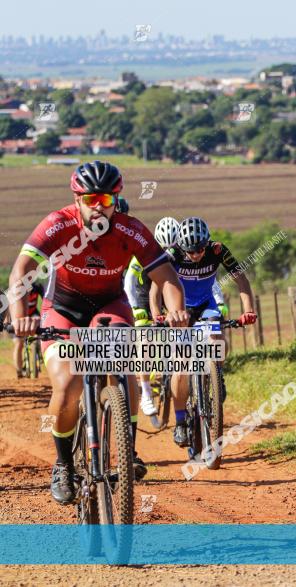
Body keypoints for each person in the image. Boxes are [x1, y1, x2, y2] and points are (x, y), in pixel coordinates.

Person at [7, 160, 189, 505]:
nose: (97, 207)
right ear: (77, 199)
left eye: (105, 199)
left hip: (110, 304)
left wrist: (176, 309)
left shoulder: (130, 228)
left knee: (123, 371)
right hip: (62, 309)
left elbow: (166, 277)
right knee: (70, 382)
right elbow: (23, 269)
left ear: (115, 199)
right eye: (90, 199)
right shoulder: (57, 223)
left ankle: (127, 447)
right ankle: (63, 464)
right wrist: (20, 316)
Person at [150, 217, 256, 449]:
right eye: (191, 251)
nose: (196, 254)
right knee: (181, 366)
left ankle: (216, 374)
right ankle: (180, 423)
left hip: (206, 303)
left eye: (200, 249)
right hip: (180, 309)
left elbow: (242, 280)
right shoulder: (172, 254)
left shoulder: (217, 250)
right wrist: (158, 314)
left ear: (206, 243)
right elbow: (156, 287)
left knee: (218, 340)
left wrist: (248, 310)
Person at [124, 217, 180, 419]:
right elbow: (129, 285)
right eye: (164, 247)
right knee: (145, 339)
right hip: (141, 295)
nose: (168, 251)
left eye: (172, 247)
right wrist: (135, 309)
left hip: (164, 291)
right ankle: (146, 393)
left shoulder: (180, 254)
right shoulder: (142, 256)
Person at [12, 281, 44, 378]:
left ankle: (38, 349)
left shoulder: (37, 286)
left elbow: (46, 301)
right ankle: (19, 371)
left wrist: (44, 316)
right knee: (19, 343)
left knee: (42, 334)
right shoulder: (17, 286)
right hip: (18, 316)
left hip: (33, 313)